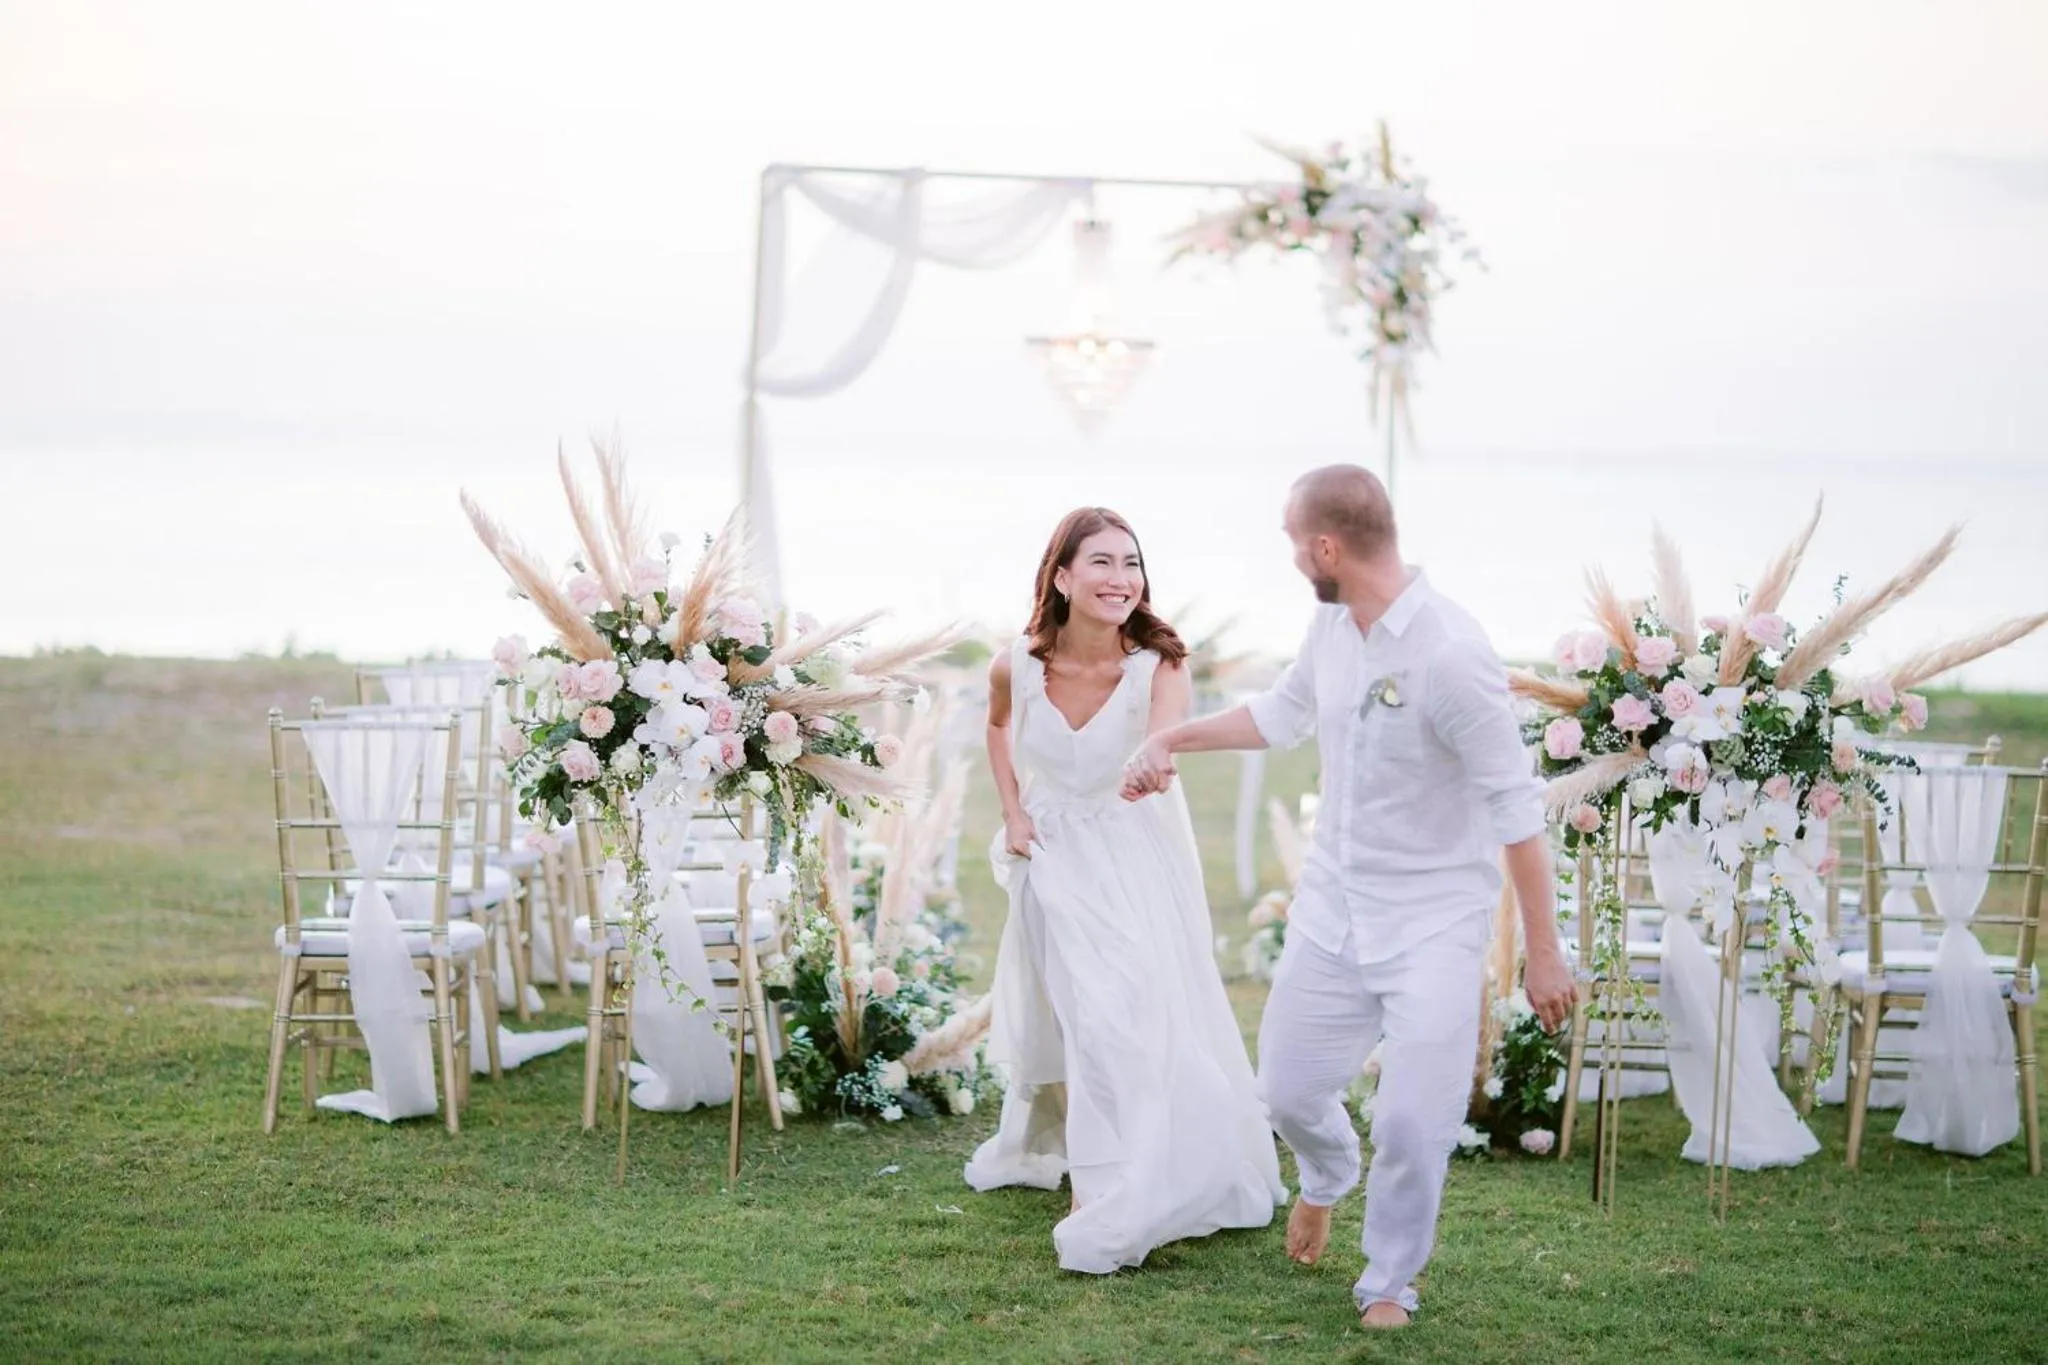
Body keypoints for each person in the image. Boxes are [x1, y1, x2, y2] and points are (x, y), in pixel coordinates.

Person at [1122, 465, 1575, 1329]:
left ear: (1326, 545)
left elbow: (1517, 812)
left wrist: (1544, 951)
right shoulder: (1331, 625)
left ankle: (1390, 1282)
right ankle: (1327, 1177)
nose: (1293, 557)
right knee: (1288, 1089)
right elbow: (1283, 714)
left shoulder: (1450, 652)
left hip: (1435, 921)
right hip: (1332, 906)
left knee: (1412, 1118)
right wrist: (1175, 737)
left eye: (1295, 542)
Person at [964, 506, 1285, 1273]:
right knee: (1081, 1011)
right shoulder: (1015, 662)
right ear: (1063, 576)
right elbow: (998, 729)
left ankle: (1147, 1158)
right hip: (1051, 849)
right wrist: (1012, 813)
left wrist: (1155, 759)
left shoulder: (1158, 664)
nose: (1121, 579)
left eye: (1132, 563)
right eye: (1102, 563)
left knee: (1134, 1004)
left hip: (1135, 848)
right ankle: (1097, 1172)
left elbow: (1163, 737)